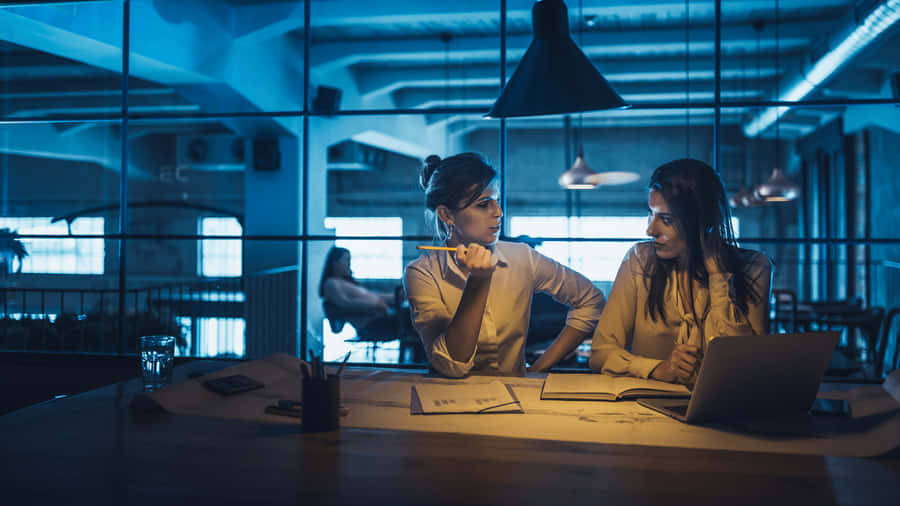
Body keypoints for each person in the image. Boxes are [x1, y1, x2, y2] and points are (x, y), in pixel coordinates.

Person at [404, 153, 605, 378]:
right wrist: (479, 281)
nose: (498, 212)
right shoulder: (422, 273)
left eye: (497, 201)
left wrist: (539, 367)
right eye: (484, 204)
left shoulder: (522, 257)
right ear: (446, 214)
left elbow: (592, 300)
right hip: (446, 403)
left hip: (516, 400)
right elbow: (452, 365)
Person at [589, 158, 772, 384]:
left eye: (665, 219)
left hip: (723, 411)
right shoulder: (639, 260)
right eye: (650, 213)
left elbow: (747, 368)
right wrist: (656, 368)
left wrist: (718, 278)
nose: (649, 230)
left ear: (702, 221)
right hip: (645, 411)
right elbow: (600, 353)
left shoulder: (754, 267)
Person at [319, 246, 395, 336]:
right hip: (371, 323)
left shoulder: (346, 282)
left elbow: (373, 295)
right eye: (346, 260)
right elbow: (345, 303)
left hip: (378, 317)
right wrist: (376, 304)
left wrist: (394, 297)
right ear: (335, 262)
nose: (349, 264)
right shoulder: (331, 283)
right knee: (410, 320)